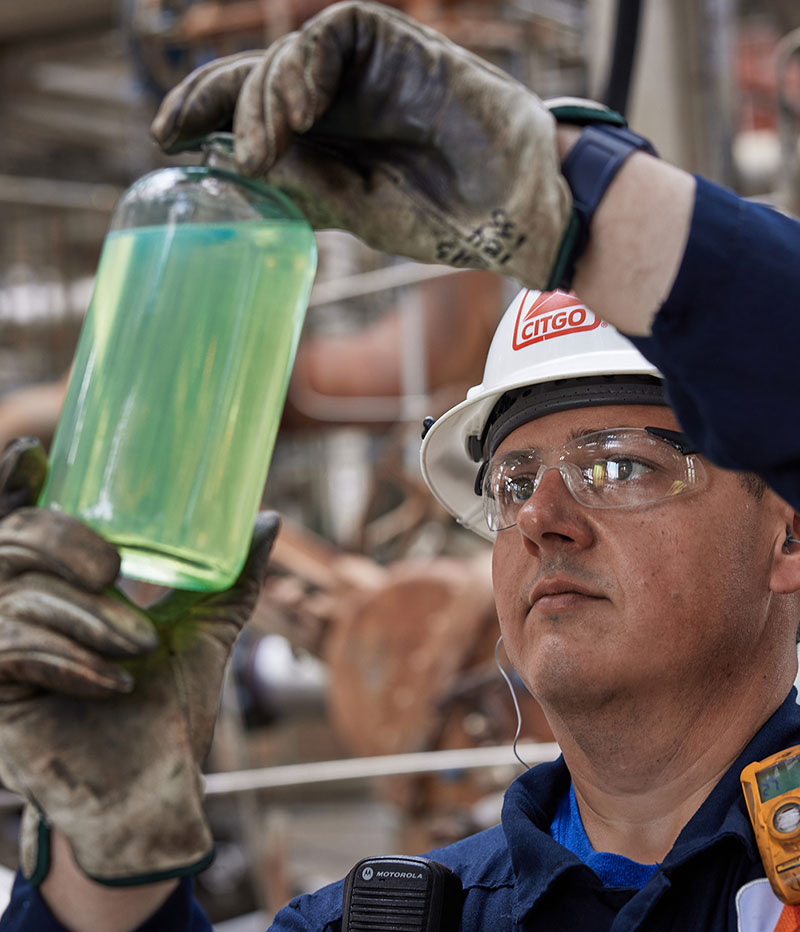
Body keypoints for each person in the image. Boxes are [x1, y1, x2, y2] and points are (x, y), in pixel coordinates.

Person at [1, 0, 800, 928]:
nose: (541, 517)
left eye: (617, 467)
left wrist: (572, 191)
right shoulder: (394, 919)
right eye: (511, 481)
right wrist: (106, 876)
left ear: (788, 531)